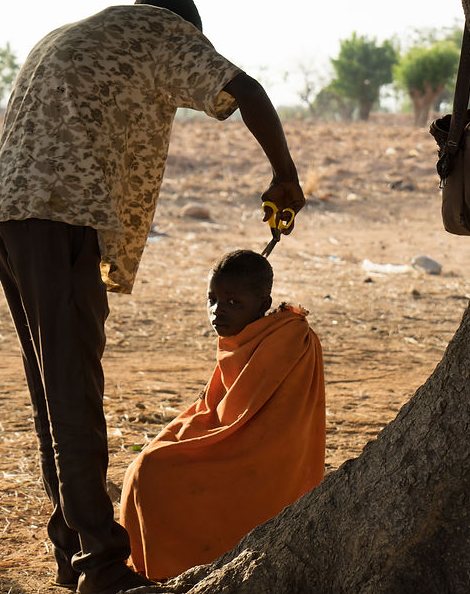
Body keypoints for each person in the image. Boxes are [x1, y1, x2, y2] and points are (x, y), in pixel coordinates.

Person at [0, 0, 306, 594]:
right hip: (61, 215)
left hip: (9, 218)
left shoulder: (67, 34)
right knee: (72, 389)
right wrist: (285, 173)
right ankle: (101, 564)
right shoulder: (161, 32)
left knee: (52, 388)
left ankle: (73, 549)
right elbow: (246, 89)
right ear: (185, 29)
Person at [119, 249, 325, 581]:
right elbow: (212, 406)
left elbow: (241, 417)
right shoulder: (245, 337)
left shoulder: (289, 339)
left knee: (154, 472)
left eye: (233, 303)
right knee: (145, 462)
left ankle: (169, 570)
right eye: (212, 299)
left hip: (268, 462)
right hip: (236, 439)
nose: (217, 311)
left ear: (263, 303)